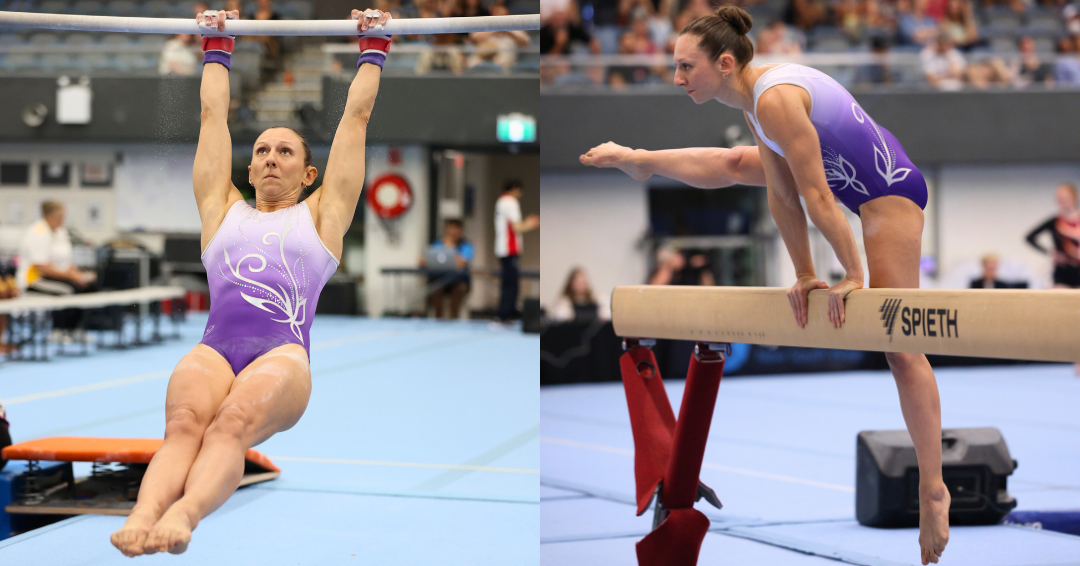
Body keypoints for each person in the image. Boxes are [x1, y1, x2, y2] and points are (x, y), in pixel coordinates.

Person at [580, 7, 950, 564]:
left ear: (724, 63)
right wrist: (804, 273)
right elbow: (784, 195)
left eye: (686, 67)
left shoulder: (775, 98)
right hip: (839, 179)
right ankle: (641, 161)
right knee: (733, 162)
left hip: (885, 194)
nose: (676, 78)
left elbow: (820, 199)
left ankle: (933, 487)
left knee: (901, 348)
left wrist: (851, 275)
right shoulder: (756, 103)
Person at [109, 8, 391, 557]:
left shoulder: (322, 217)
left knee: (230, 422)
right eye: (261, 150)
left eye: (285, 151)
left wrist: (373, 46)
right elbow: (211, 117)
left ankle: (186, 514)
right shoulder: (221, 212)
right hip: (216, 348)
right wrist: (217, 45)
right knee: (185, 423)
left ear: (309, 175)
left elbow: (355, 120)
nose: (269, 158)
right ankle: (144, 513)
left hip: (282, 357)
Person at [17, 200, 97, 296]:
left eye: (63, 216)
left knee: (91, 286)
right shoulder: (38, 232)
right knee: (69, 290)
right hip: (35, 280)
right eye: (59, 216)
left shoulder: (60, 232)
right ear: (48, 215)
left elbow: (65, 261)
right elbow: (42, 268)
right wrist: (71, 276)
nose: (62, 219)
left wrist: (79, 275)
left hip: (55, 276)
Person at [494, 179, 539, 323]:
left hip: (503, 248)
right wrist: (531, 223)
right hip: (509, 248)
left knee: (510, 282)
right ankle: (504, 315)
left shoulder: (501, 201)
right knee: (510, 284)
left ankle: (510, 312)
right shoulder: (510, 202)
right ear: (514, 189)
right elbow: (516, 227)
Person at [1025, 183, 1080, 289]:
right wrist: (1050, 252)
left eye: (1065, 197)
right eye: (1059, 198)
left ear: (1074, 197)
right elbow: (1029, 237)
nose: (1061, 200)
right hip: (1063, 271)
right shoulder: (1055, 222)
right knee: (1062, 302)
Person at [420, 218, 474, 319]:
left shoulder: (466, 246)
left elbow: (462, 263)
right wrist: (424, 261)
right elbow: (429, 259)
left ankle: (453, 317)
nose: (452, 232)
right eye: (450, 228)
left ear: (461, 231)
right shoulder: (437, 243)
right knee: (435, 287)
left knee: (460, 288)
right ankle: (438, 318)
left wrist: (449, 247)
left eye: (456, 229)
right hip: (440, 279)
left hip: (458, 281)